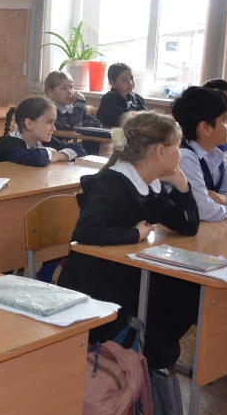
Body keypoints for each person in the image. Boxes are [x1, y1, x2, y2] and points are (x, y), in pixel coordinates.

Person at [58, 111, 200, 369]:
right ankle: (141, 355)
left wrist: (182, 186)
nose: (180, 154)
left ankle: (147, 355)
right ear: (160, 152)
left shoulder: (149, 184)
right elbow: (85, 232)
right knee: (180, 295)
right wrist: (135, 234)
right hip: (96, 279)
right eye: (177, 147)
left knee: (190, 291)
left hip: (125, 269)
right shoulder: (113, 183)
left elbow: (188, 226)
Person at [170, 87, 227, 222]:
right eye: (225, 120)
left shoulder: (216, 155)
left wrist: (226, 199)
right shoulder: (184, 157)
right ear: (206, 128)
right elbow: (202, 210)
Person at [0, 97, 86, 166]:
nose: (54, 128)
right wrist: (49, 153)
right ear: (29, 123)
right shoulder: (6, 145)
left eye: (54, 123)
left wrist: (59, 156)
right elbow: (38, 158)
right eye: (49, 122)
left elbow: (80, 149)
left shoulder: (42, 141)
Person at [43, 70, 102, 155]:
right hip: (55, 150)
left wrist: (80, 124)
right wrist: (80, 102)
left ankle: (90, 160)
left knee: (93, 138)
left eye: (71, 87)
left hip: (72, 149)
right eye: (64, 88)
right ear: (51, 92)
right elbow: (73, 126)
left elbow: (97, 123)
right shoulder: (50, 111)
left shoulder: (72, 109)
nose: (70, 92)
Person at [96, 63, 147, 127]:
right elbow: (121, 121)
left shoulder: (137, 98)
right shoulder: (109, 99)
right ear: (113, 84)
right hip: (110, 131)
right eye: (124, 80)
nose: (130, 83)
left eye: (131, 79)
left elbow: (146, 117)